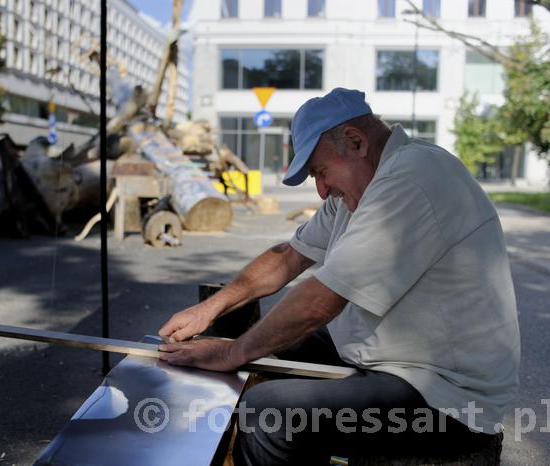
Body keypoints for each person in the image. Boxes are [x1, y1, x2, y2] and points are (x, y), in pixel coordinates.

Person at [158, 88, 520, 465]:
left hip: (448, 398)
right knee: (277, 340)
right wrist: (209, 310)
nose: (321, 189)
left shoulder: (412, 176)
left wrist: (232, 352)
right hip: (396, 357)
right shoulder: (356, 188)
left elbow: (321, 300)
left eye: (320, 171)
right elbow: (288, 258)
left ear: (355, 141)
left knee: (268, 413)